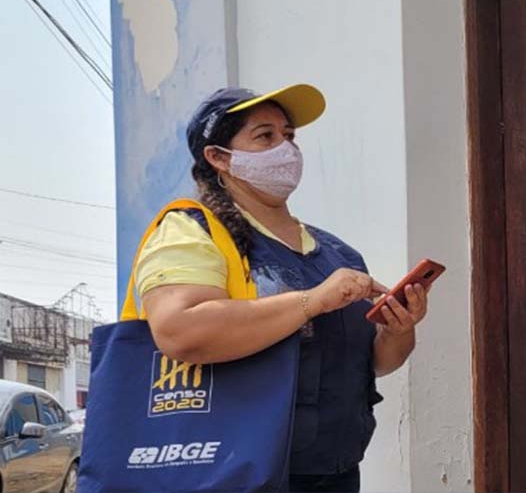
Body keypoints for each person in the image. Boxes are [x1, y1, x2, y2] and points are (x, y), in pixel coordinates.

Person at [134, 83, 428, 492]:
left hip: (336, 473)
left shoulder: (338, 254)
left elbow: (374, 363)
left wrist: (399, 329)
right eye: (265, 136)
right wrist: (312, 301)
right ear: (219, 157)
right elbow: (179, 330)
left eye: (289, 136)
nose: (285, 149)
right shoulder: (191, 230)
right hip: (239, 475)